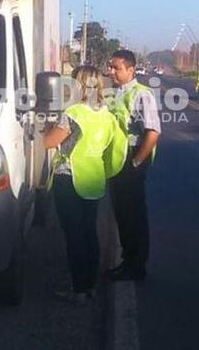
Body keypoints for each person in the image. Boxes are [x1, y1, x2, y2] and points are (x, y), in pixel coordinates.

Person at [44, 65, 127, 304]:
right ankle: (90, 285)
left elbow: (49, 143)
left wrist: (47, 128)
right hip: (94, 180)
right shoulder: (107, 114)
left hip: (69, 180)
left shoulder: (74, 113)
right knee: (90, 234)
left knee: (74, 237)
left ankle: (78, 290)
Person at [106, 49, 161, 281]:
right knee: (122, 214)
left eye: (116, 68)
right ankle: (128, 261)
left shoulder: (142, 95)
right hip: (117, 161)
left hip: (131, 159)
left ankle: (136, 266)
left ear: (131, 70)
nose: (111, 71)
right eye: (110, 67)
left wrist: (137, 161)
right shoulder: (116, 93)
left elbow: (153, 132)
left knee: (133, 215)